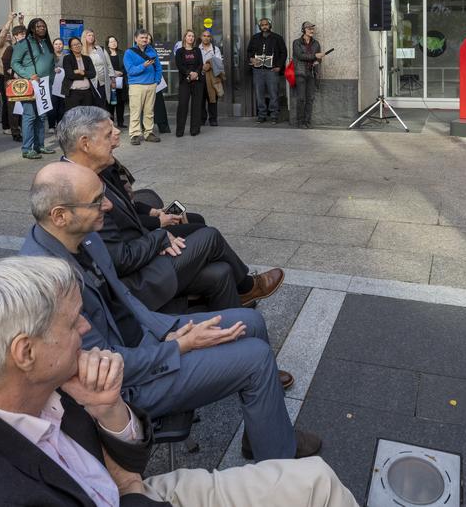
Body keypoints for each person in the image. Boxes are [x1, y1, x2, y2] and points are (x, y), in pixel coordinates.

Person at [0, 256, 356, 507]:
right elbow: (127, 479)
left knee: (317, 478)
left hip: (127, 491)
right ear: (25, 352)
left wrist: (109, 411)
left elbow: (130, 461)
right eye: (72, 323)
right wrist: (131, 487)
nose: (86, 329)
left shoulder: (34, 385)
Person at [20, 162, 322, 461]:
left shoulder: (85, 236)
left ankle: (264, 437)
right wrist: (178, 346)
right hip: (122, 386)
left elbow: (125, 298)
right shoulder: (47, 283)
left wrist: (167, 330)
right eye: (97, 201)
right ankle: (280, 467)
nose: (108, 205)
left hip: (145, 341)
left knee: (251, 320)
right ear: (59, 215)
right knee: (256, 359)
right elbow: (103, 368)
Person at [58, 107, 285, 316]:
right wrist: (160, 236)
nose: (117, 135)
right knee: (209, 236)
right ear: (85, 144)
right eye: (108, 135)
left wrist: (156, 218)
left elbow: (130, 211)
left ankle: (236, 337)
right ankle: (248, 287)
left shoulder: (99, 170)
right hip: (134, 282)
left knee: (222, 271)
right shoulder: (77, 190)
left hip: (143, 255)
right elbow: (120, 260)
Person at [12, 17, 55, 159]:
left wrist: (52, 79)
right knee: (30, 116)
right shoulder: (24, 43)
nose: (42, 28)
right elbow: (15, 63)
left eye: (43, 26)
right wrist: (28, 75)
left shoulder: (47, 43)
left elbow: (51, 63)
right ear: (32, 28)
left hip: (45, 85)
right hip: (31, 84)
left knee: (42, 117)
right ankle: (26, 149)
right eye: (38, 26)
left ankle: (39, 146)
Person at [124, 29, 161, 145]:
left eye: (146, 38)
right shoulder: (129, 53)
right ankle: (135, 134)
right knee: (136, 111)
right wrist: (143, 66)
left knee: (149, 111)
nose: (144, 40)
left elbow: (158, 68)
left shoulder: (152, 51)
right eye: (141, 38)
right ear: (136, 39)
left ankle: (148, 132)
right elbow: (130, 70)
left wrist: (156, 80)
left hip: (151, 85)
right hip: (136, 85)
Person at [246, 18, 285, 123]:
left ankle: (274, 115)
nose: (264, 26)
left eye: (266, 24)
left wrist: (279, 66)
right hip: (258, 70)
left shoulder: (277, 38)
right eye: (262, 25)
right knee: (259, 94)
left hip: (272, 70)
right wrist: (251, 59)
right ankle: (261, 115)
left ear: (270, 25)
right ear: (260, 26)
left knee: (273, 93)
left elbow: (283, 53)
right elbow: (249, 51)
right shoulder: (254, 38)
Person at [291, 22, 324, 129]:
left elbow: (318, 59)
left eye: (312, 29)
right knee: (301, 98)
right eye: (309, 29)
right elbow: (300, 55)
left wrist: (318, 61)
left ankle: (307, 121)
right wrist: (315, 56)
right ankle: (300, 122)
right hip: (300, 73)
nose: (312, 31)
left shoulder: (316, 43)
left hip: (311, 73)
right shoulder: (296, 42)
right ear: (303, 30)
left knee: (310, 99)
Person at [0, 21, 27, 142]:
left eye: (24, 33)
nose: (22, 36)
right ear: (15, 36)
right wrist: (13, 76)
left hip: (27, 80)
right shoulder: (11, 49)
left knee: (26, 107)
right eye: (20, 34)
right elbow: (6, 66)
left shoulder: (29, 48)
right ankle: (15, 132)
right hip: (13, 81)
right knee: (14, 108)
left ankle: (26, 129)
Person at [173, 30, 204, 138]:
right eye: (189, 36)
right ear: (185, 38)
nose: (191, 38)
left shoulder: (197, 50)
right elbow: (179, 65)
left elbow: (200, 64)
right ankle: (180, 130)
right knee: (182, 106)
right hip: (184, 81)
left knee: (196, 106)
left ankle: (194, 129)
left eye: (193, 36)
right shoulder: (180, 51)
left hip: (197, 81)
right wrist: (189, 73)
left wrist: (196, 73)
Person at [63, 37, 100, 113]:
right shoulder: (67, 58)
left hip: (87, 93)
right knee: (74, 117)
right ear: (70, 48)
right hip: (73, 93)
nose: (77, 46)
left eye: (78, 44)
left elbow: (93, 74)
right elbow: (69, 75)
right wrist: (85, 75)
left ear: (81, 45)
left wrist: (81, 72)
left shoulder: (87, 58)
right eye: (74, 45)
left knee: (86, 116)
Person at [199, 31, 224, 128]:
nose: (206, 38)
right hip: (200, 77)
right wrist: (202, 66)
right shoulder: (197, 49)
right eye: (204, 36)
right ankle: (202, 119)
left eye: (208, 36)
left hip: (212, 77)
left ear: (211, 38)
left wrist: (209, 64)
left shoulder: (215, 49)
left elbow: (218, 62)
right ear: (201, 37)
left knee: (212, 99)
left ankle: (213, 119)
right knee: (200, 100)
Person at [85, 29, 112, 112]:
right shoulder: (81, 50)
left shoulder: (100, 49)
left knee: (102, 105)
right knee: (91, 106)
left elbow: (109, 65)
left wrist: (112, 78)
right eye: (89, 35)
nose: (91, 37)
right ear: (84, 37)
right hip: (88, 83)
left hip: (101, 82)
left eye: (93, 35)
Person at [106, 35, 127, 127]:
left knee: (120, 102)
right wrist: (113, 73)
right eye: (111, 42)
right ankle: (110, 123)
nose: (113, 43)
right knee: (110, 103)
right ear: (108, 44)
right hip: (110, 81)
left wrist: (121, 72)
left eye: (115, 41)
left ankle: (121, 122)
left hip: (121, 80)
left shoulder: (122, 53)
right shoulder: (105, 54)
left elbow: (127, 66)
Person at [50, 37, 67, 129]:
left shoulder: (66, 57)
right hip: (52, 84)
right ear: (53, 45)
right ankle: (51, 125)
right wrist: (53, 70)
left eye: (60, 44)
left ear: (63, 46)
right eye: (56, 44)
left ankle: (60, 124)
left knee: (62, 106)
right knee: (53, 105)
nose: (58, 46)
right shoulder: (50, 56)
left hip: (63, 85)